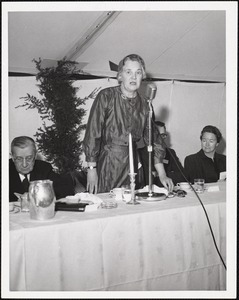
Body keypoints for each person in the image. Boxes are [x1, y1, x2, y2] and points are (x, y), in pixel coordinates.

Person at [82, 54, 174, 194]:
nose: (133, 77)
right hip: (108, 165)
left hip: (133, 166)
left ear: (142, 76)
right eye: (128, 72)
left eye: (138, 72)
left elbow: (154, 141)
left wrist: (162, 174)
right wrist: (91, 170)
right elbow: (93, 133)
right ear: (120, 76)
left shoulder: (145, 104)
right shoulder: (106, 96)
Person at [9, 136, 75, 202]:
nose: (24, 164)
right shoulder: (4, 170)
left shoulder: (44, 168)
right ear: (12, 157)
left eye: (29, 158)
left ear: (35, 156)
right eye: (19, 159)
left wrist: (36, 196)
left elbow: (66, 191)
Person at [138, 120, 186, 186]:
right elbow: (143, 180)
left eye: (163, 135)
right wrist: (167, 174)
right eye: (157, 135)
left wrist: (161, 175)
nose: (160, 139)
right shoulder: (139, 154)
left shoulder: (170, 153)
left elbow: (182, 176)